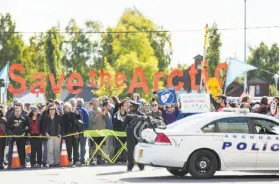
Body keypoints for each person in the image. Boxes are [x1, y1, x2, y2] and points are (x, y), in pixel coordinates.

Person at [123, 100, 145, 172]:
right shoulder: (142, 114)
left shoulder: (129, 115)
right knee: (140, 150)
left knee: (130, 151)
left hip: (130, 134)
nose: (129, 107)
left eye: (130, 106)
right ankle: (141, 166)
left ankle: (130, 166)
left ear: (134, 107)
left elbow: (124, 124)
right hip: (140, 134)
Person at [88, 98, 105, 165]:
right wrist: (98, 115)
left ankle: (99, 158)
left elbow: (105, 119)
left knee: (101, 145)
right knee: (92, 146)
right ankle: (91, 159)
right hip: (93, 131)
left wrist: (105, 114)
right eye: (94, 102)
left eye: (96, 102)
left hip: (101, 131)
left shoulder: (101, 110)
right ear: (92, 103)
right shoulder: (90, 112)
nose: (95, 103)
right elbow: (93, 120)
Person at [76, 98, 89, 165]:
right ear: (82, 103)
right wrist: (86, 129)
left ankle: (76, 159)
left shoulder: (74, 110)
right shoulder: (85, 111)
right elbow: (87, 120)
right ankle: (82, 159)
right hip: (83, 130)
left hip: (76, 131)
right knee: (83, 145)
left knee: (76, 146)